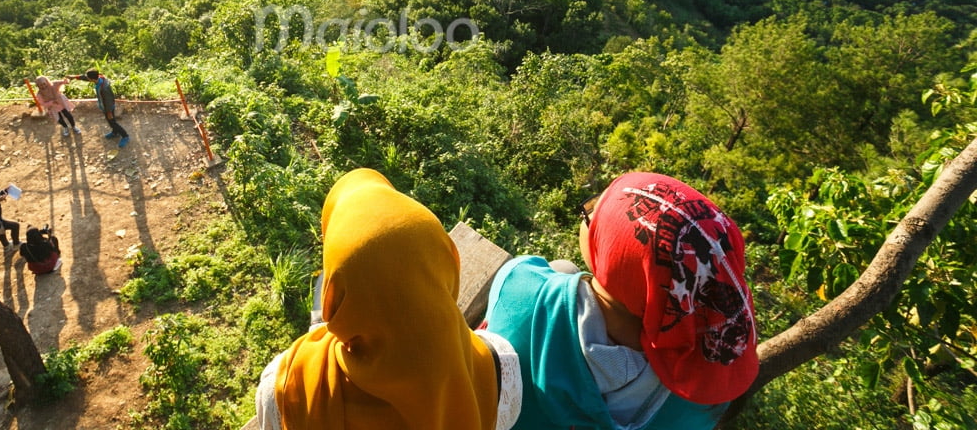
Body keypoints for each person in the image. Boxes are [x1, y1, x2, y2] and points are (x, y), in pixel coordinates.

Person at [482, 172, 759, 430]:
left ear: (617, 259)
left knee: (563, 268)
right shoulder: (702, 401)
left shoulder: (519, 286)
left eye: (591, 215)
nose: (587, 213)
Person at [254, 167, 521, 430]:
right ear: (447, 265)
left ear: (335, 300)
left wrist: (320, 329)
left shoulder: (284, 390)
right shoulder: (499, 369)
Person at [78, 69, 128, 148]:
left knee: (112, 122)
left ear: (92, 79)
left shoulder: (103, 88)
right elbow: (86, 78)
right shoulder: (100, 78)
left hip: (108, 107)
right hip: (105, 106)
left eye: (89, 78)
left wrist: (109, 112)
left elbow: (108, 100)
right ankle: (115, 132)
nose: (88, 79)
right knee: (111, 121)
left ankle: (125, 136)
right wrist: (75, 77)